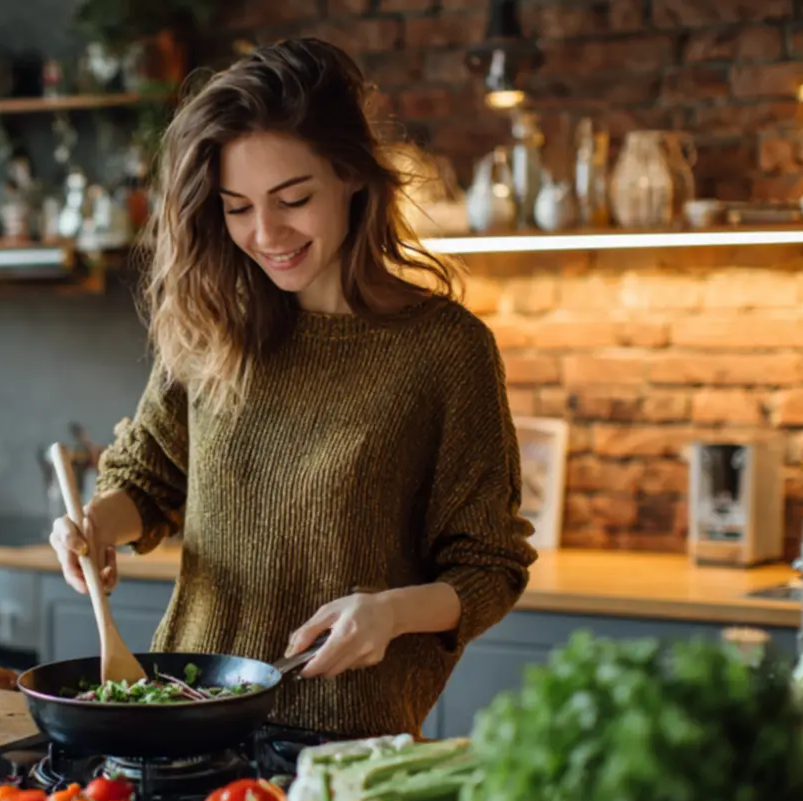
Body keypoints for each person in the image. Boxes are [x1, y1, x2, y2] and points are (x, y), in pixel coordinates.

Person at [48, 37, 538, 738]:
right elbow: (151, 478)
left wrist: (390, 613)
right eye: (236, 207)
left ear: (352, 176)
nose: (265, 233)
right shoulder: (215, 320)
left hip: (345, 742)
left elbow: (489, 566)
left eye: (293, 199)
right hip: (187, 720)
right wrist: (98, 527)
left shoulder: (444, 350)